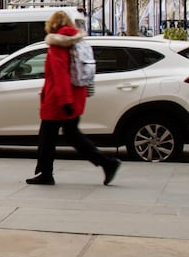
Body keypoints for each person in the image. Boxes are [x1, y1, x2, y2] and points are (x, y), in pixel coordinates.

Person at [26, 10, 121, 186]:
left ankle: (46, 173)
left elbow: (60, 74)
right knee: (71, 135)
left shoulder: (58, 44)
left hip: (58, 99)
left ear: (52, 25)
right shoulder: (77, 42)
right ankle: (105, 163)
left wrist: (64, 101)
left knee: (48, 137)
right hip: (76, 95)